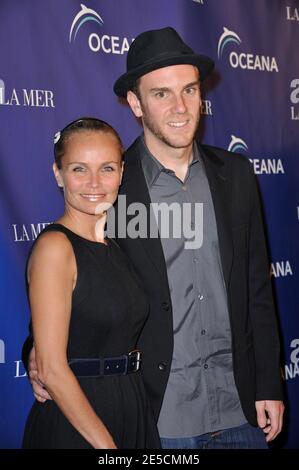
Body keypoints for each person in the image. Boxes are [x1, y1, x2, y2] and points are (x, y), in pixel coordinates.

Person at [24, 27, 284, 449]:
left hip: (240, 405)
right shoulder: (110, 187)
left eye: (189, 90)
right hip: (159, 415)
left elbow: (257, 288)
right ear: (135, 103)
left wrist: (270, 380)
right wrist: (36, 351)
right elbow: (75, 277)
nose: (180, 107)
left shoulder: (235, 175)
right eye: (161, 94)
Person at [21, 117, 160, 449]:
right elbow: (52, 369)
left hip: (130, 406)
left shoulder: (117, 244)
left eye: (107, 168)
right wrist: (106, 447)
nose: (95, 183)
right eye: (79, 169)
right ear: (59, 173)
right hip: (79, 424)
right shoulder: (55, 248)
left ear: (122, 172)